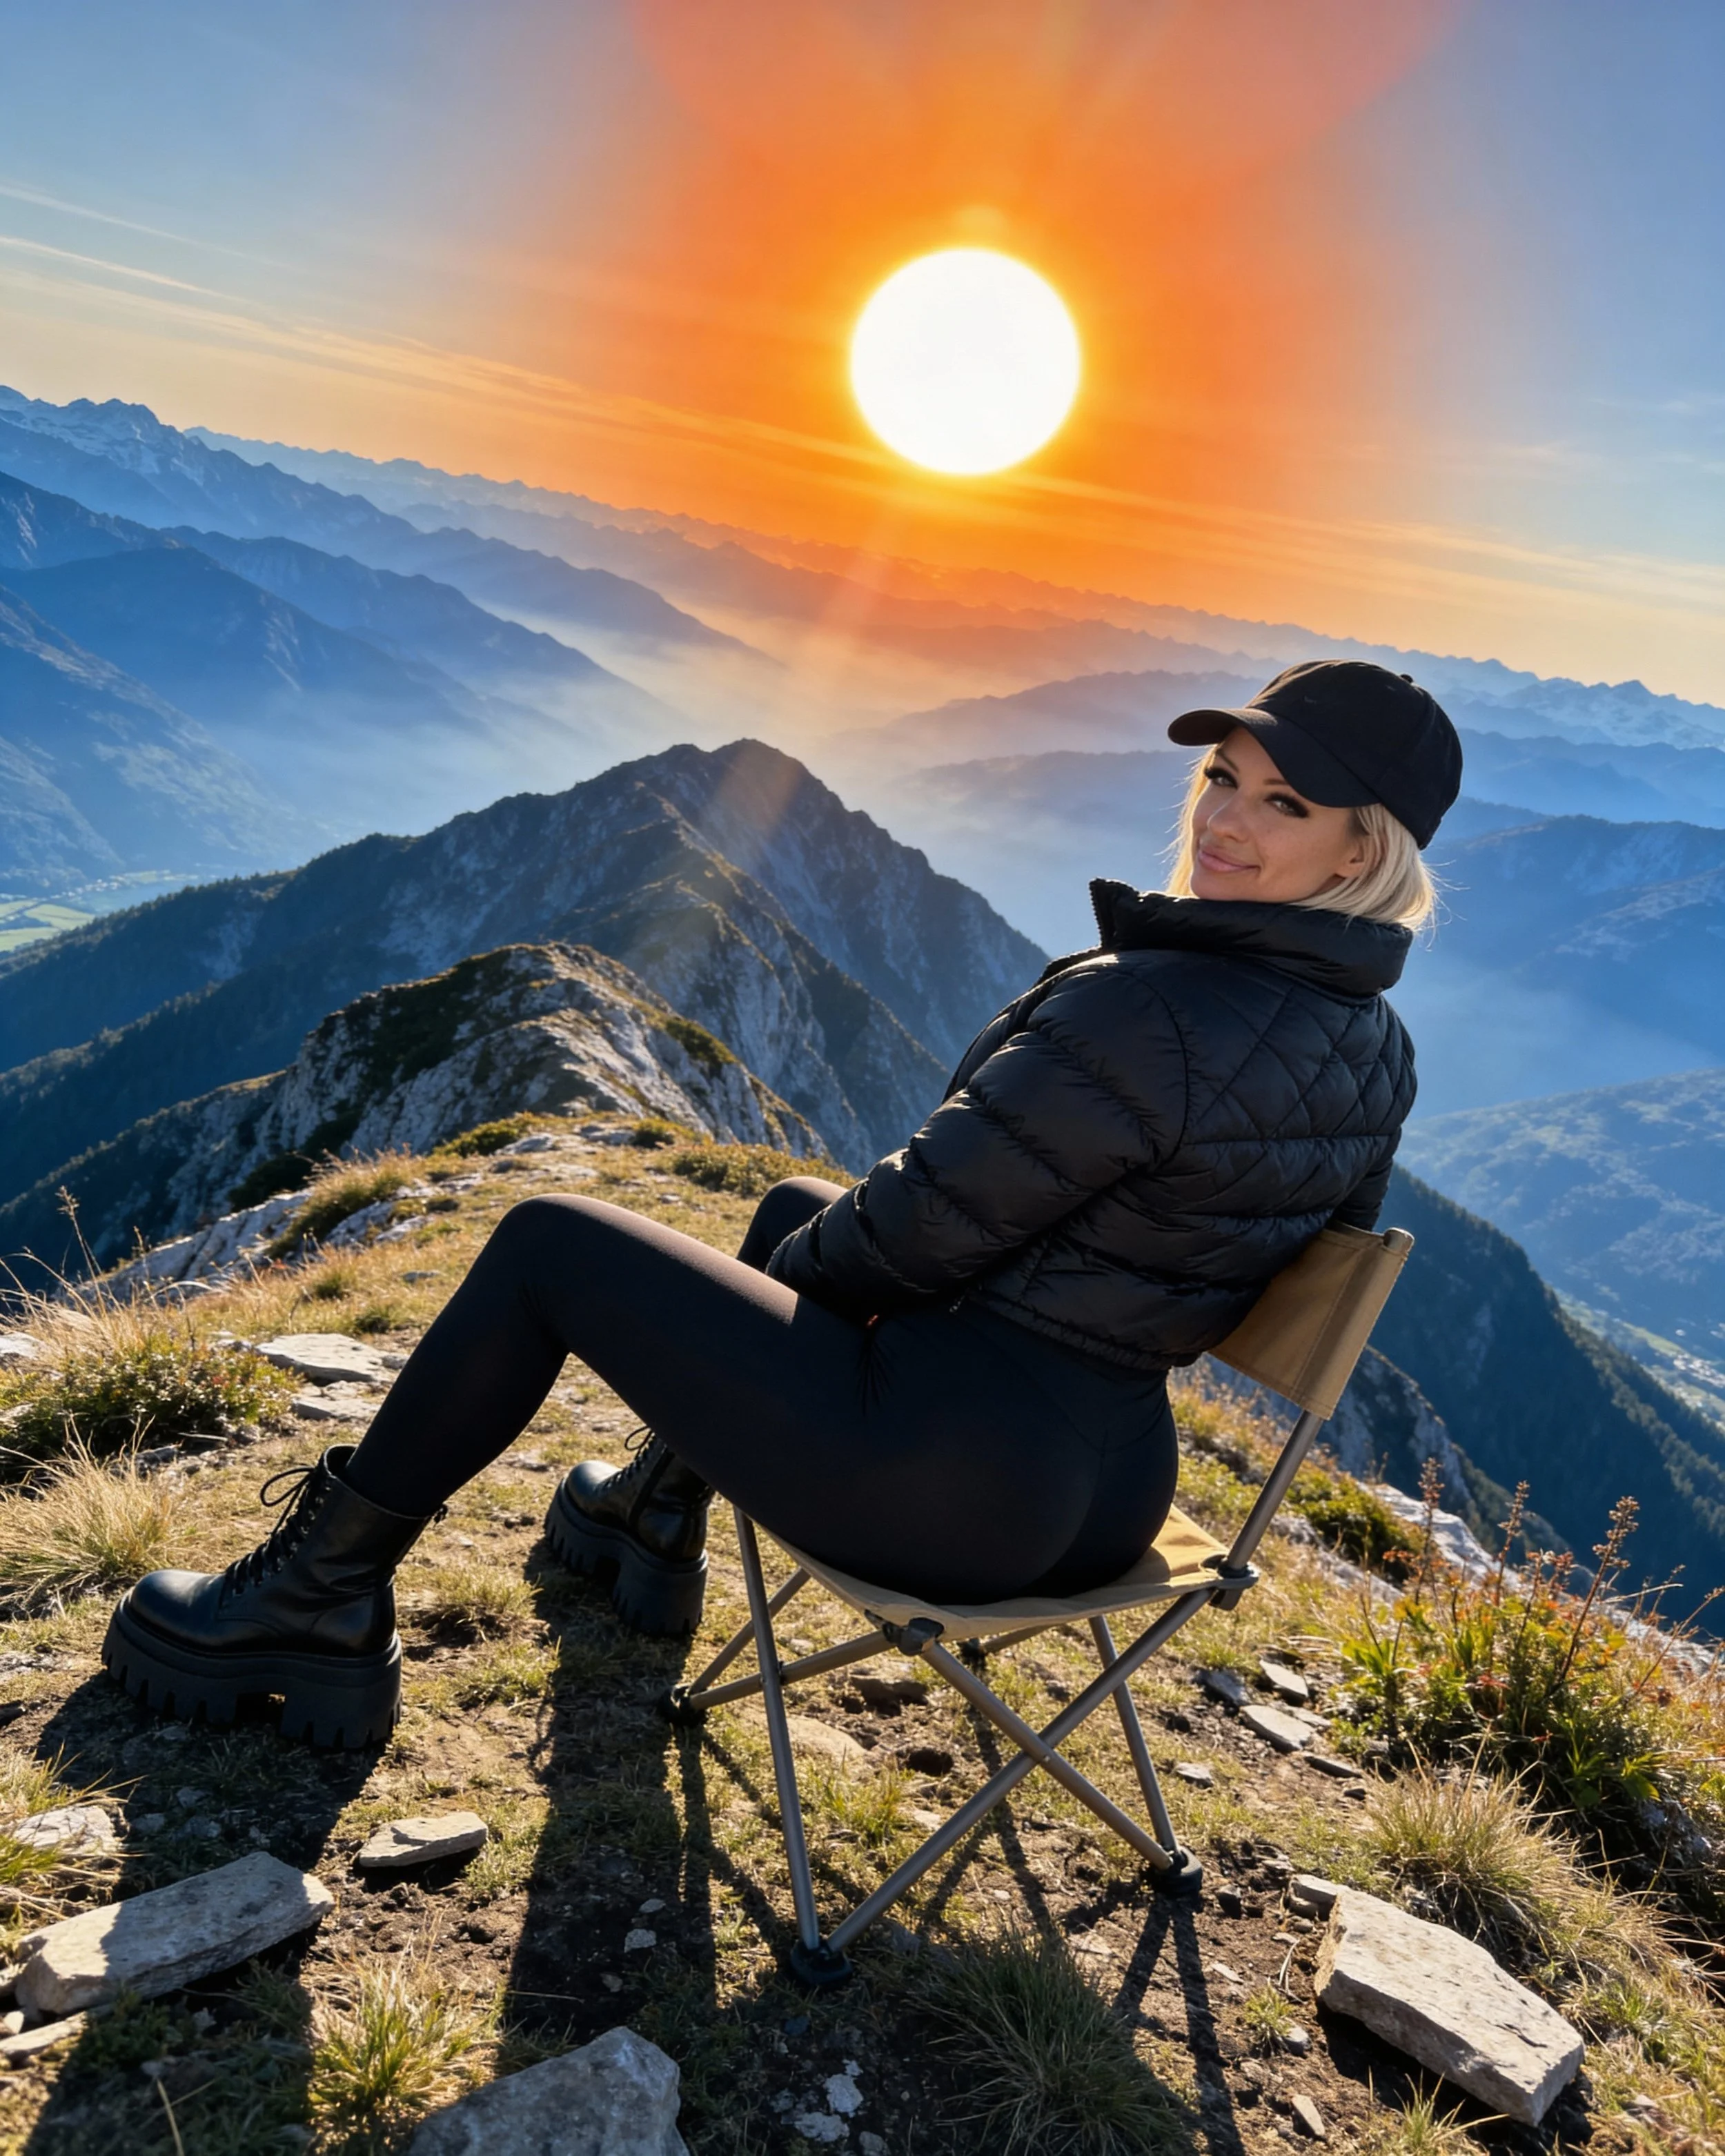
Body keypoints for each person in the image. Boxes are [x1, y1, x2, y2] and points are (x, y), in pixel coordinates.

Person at [102, 660, 1461, 1748]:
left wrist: (820, 1273)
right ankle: (644, 1516)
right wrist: (822, 1257)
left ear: (1360, 852)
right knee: (789, 1204)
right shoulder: (1368, 1046)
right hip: (1112, 1482)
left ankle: (310, 1601)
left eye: (1283, 804)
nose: (1224, 817)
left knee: (545, 1246)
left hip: (948, 1480)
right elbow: (1213, 1250)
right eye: (1222, 776)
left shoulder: (1142, 1003)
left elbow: (918, 1229)